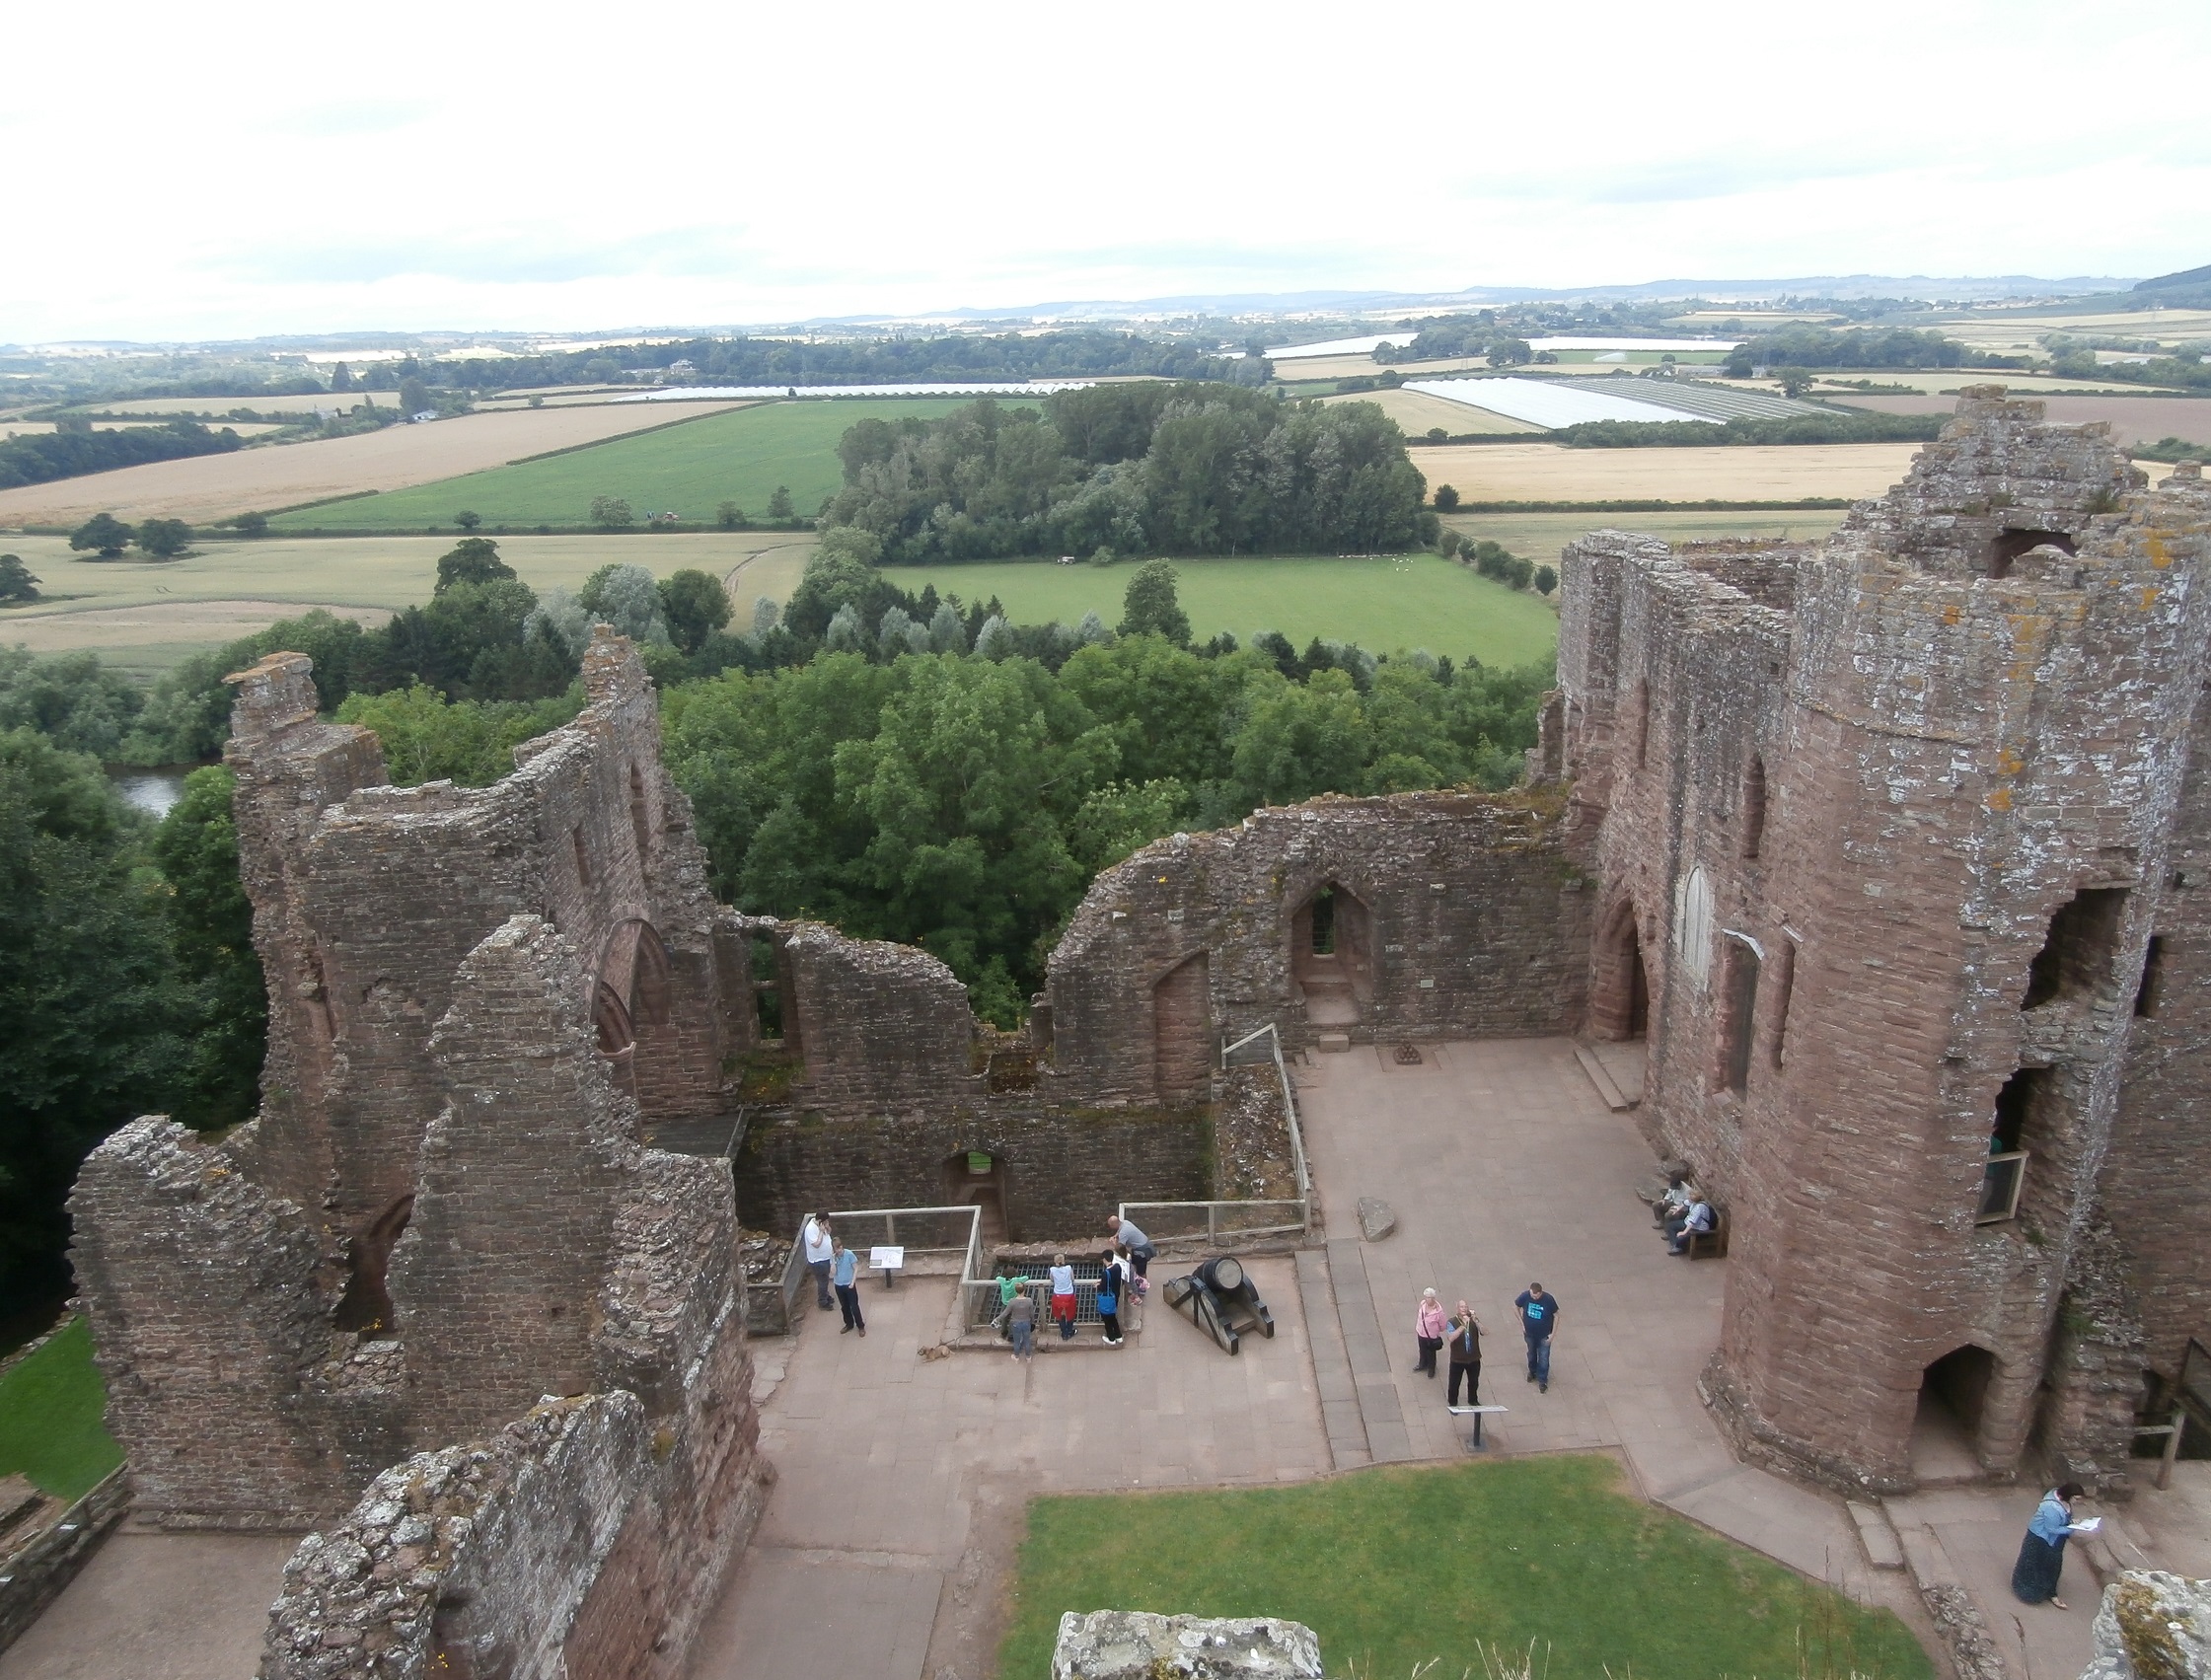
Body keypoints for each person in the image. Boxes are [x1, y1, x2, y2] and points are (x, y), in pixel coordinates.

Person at [2012, 1482, 2093, 1608]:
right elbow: (2052, 1529)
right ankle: (2029, 1593)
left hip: (2054, 1539)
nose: (2078, 1501)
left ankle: (2051, 1592)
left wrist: (2070, 1522)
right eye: (2076, 1498)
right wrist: (2073, 1528)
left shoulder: (2062, 1501)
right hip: (2040, 1539)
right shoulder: (2051, 1508)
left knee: (2052, 1566)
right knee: (2034, 1565)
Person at [1514, 1281, 1560, 1392]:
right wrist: (1522, 1323)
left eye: (1536, 1296)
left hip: (1544, 1335)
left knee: (1544, 1358)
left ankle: (1542, 1380)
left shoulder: (1548, 1300)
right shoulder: (1525, 1296)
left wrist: (1553, 1334)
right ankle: (1532, 1371)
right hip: (1529, 1334)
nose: (1533, 1298)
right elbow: (1516, 1307)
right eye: (1532, 1295)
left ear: (1540, 1293)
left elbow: (1557, 1315)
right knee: (1531, 1354)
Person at [1446, 1301, 1483, 1408]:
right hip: (1458, 1359)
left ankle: (1473, 1400)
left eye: (1466, 1307)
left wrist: (1476, 1321)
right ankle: (1453, 1402)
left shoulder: (1473, 1320)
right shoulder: (1452, 1322)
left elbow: (1485, 1332)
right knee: (1454, 1382)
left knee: (1474, 1382)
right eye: (1462, 1307)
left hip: (1474, 1358)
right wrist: (1463, 1325)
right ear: (1457, 1309)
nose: (1464, 1308)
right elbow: (1451, 1337)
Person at [1107, 1215, 1155, 1294]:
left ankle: (1142, 1289)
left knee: (1141, 1271)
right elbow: (1119, 1231)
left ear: (1114, 1224)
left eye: (1110, 1225)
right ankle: (1138, 1284)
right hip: (1141, 1246)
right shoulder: (1125, 1223)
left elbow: (1120, 1248)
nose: (1110, 1227)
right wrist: (1115, 1236)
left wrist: (1114, 1243)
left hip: (1141, 1251)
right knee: (1136, 1266)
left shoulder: (1123, 1233)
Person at [832, 1238, 865, 1337]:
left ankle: (860, 1326)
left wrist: (852, 1282)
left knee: (854, 1306)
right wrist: (833, 1262)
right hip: (838, 1285)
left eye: (840, 1248)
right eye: (836, 1249)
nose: (838, 1251)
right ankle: (849, 1324)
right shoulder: (833, 1257)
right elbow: (832, 1273)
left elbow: (855, 1268)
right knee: (844, 1306)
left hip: (849, 1284)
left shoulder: (849, 1254)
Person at [802, 1213, 835, 1311]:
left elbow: (829, 1232)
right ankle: (822, 1301)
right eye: (825, 1221)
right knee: (822, 1281)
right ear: (820, 1220)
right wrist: (820, 1232)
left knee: (825, 1279)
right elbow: (816, 1244)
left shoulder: (821, 1224)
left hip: (825, 1257)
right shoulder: (810, 1229)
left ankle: (825, 1295)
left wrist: (827, 1227)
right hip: (818, 1260)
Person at [1095, 1249, 1127, 1347]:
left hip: (1108, 1297)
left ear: (1104, 1259)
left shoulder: (1106, 1273)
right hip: (1116, 1295)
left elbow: (1103, 1287)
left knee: (1106, 1317)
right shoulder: (1117, 1267)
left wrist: (1097, 1285)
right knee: (1113, 1316)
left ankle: (1111, 1338)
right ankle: (1118, 1336)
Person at [1414, 1287, 1447, 1377]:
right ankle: (1422, 1364)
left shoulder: (1438, 1312)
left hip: (1431, 1336)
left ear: (1433, 1298)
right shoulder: (1422, 1304)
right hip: (1421, 1332)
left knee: (1431, 1353)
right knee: (1422, 1350)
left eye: (1430, 1297)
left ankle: (1431, 1369)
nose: (1428, 1299)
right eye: (1427, 1297)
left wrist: (1436, 1330)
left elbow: (1443, 1325)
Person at [1050, 1253, 1078, 1342]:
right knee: (1070, 1314)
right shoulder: (1068, 1268)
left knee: (1060, 1315)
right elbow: (1072, 1279)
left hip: (1058, 1295)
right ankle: (1070, 1331)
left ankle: (1064, 1333)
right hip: (1069, 1295)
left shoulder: (1052, 1270)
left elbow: (1051, 1279)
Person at [993, 1267, 1024, 1339]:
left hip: (1005, 1303)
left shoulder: (1002, 1280)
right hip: (1014, 1303)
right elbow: (1026, 1277)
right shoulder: (1015, 1280)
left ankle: (1003, 1332)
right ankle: (1011, 1334)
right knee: (1013, 1318)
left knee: (1004, 1317)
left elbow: (997, 1278)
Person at [1006, 1287, 1037, 1360]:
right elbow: (1031, 1313)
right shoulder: (1029, 1301)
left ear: (1016, 1291)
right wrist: (1033, 1322)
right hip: (1026, 1322)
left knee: (1016, 1341)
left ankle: (1016, 1356)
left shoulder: (1012, 1301)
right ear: (1024, 1290)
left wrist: (997, 1319)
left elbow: (1006, 1312)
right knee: (1027, 1340)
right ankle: (1028, 1357)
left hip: (1015, 1323)